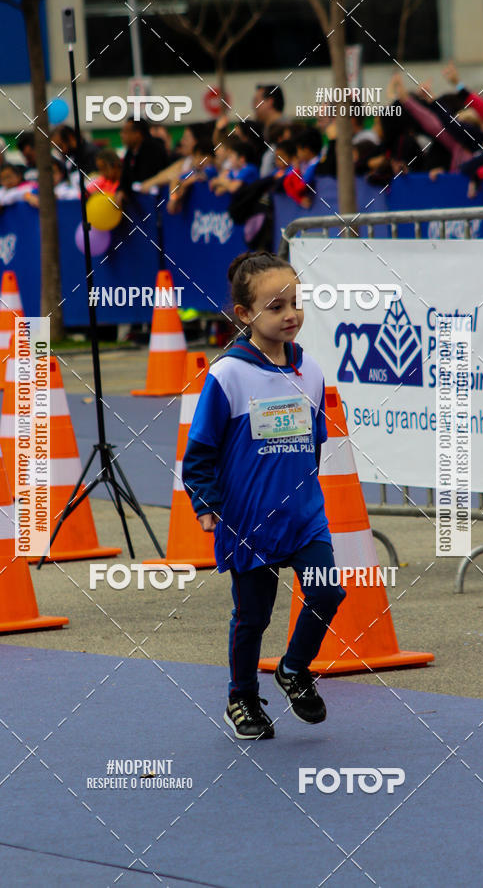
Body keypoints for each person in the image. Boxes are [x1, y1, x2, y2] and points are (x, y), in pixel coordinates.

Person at [181, 251, 346, 739]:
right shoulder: (228, 375)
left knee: (325, 590)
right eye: (275, 306)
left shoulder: (310, 370)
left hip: (303, 517)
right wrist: (207, 505)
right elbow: (200, 452)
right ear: (245, 315)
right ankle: (242, 696)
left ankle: (294, 669)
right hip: (249, 520)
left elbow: (313, 443)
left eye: (295, 302)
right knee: (253, 615)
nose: (290, 314)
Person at [115, 117, 168, 205]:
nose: (122, 135)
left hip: (155, 202)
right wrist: (121, 190)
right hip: (137, 206)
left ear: (137, 133)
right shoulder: (130, 153)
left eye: (125, 131)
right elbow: (125, 178)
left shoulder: (155, 150)